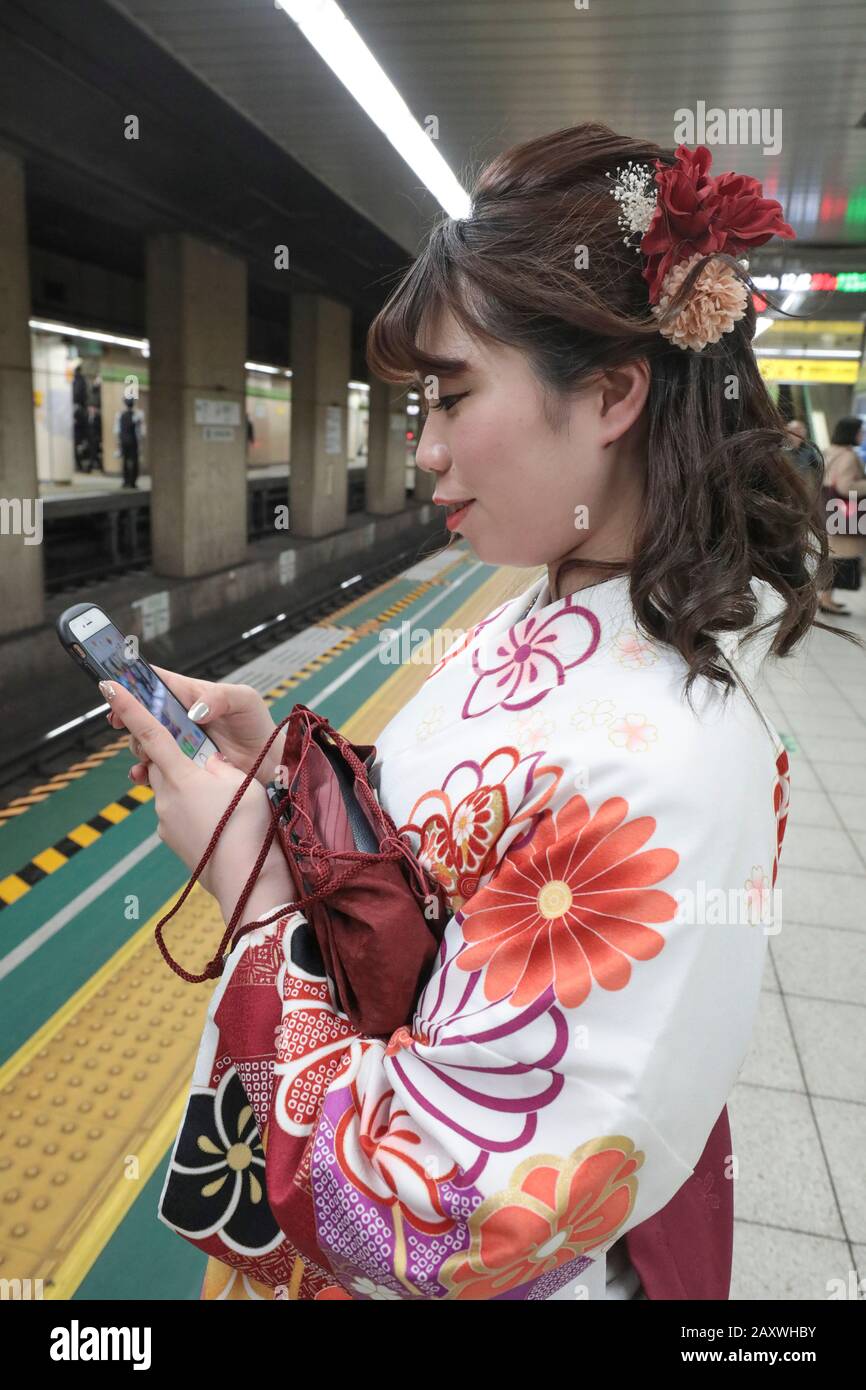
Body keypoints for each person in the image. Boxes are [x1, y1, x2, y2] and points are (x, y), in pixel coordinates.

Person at [104, 125, 848, 1302]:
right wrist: (293, 784)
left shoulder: (664, 773)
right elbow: (449, 854)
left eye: (450, 396)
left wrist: (250, 888)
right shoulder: (538, 615)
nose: (427, 449)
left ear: (609, 394)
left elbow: (435, 1218)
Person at [819, 415, 866, 616]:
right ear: (851, 433)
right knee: (839, 559)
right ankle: (826, 599)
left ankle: (826, 598)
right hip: (846, 513)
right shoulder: (848, 456)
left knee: (833, 557)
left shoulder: (829, 452)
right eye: (860, 431)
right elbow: (846, 487)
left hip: (832, 511)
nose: (862, 435)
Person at [114, 396, 145, 489]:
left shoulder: (120, 415)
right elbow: (141, 432)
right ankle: (132, 482)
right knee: (134, 461)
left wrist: (118, 441)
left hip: (124, 441)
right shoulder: (138, 415)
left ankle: (126, 481)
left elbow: (116, 430)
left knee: (125, 461)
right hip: (133, 441)